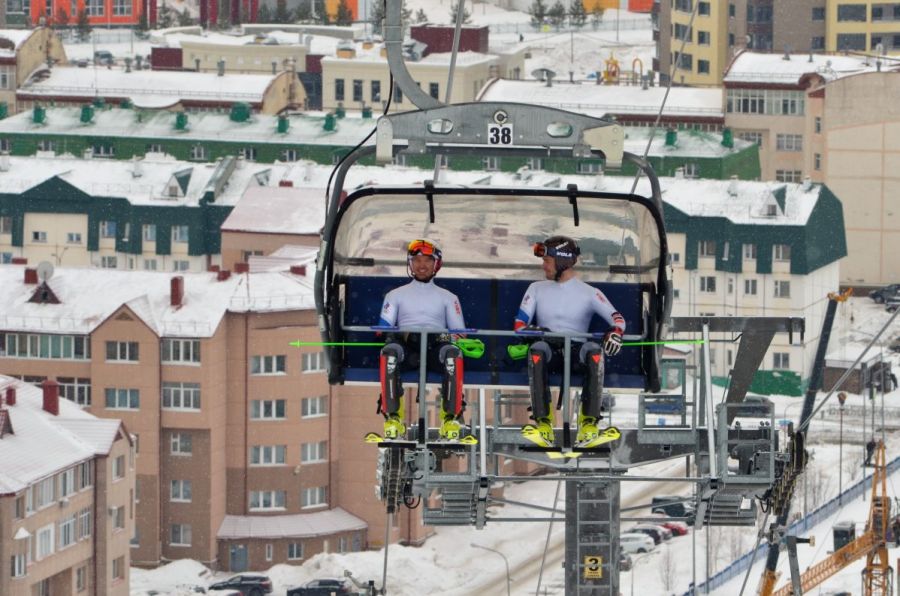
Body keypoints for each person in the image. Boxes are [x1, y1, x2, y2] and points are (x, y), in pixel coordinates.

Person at [514, 235, 625, 448]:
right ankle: (542, 423)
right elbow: (519, 324)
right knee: (537, 349)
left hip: (577, 351)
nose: (543, 265)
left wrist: (615, 333)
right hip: (549, 349)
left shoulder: (590, 293)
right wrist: (538, 331)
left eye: (547, 260)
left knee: (594, 351)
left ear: (562, 261)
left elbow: (617, 318)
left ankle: (589, 424)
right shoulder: (536, 288)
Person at [376, 239, 469, 441]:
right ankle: (393, 418)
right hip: (407, 351)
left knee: (453, 354)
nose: (422, 265)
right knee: (389, 352)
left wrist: (444, 336)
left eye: (427, 260)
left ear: (436, 264)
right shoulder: (395, 296)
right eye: (416, 260)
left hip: (436, 350)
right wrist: (397, 335)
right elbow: (383, 329)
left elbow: (460, 333)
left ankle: (450, 418)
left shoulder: (448, 297)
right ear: (410, 263)